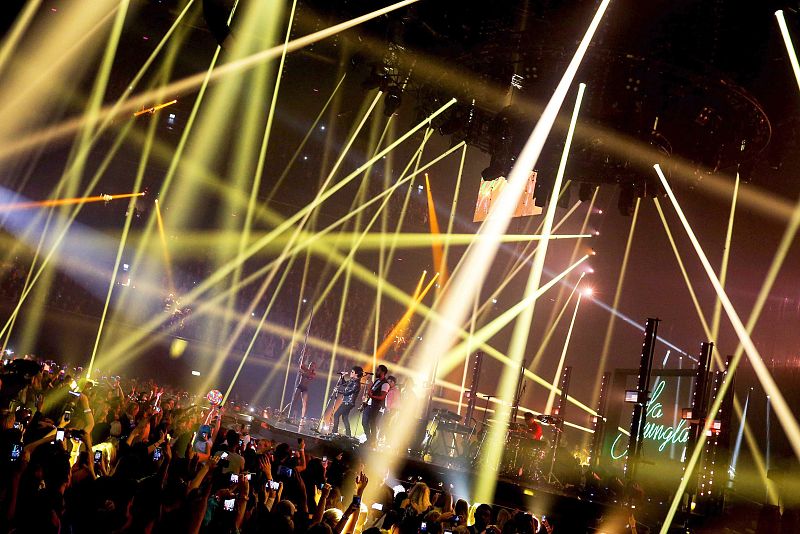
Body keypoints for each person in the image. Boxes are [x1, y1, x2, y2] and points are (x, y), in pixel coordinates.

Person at [361, 365, 389, 447]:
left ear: (383, 372)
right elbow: (371, 392)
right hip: (369, 404)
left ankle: (372, 441)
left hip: (375, 406)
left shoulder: (385, 384)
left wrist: (372, 396)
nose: (376, 372)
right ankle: (370, 439)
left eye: (378, 370)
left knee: (371, 423)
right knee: (364, 422)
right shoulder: (376, 381)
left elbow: (382, 397)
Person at [332, 366, 364, 437]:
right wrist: (342, 376)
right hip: (346, 402)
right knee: (344, 417)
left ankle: (334, 432)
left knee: (336, 415)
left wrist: (338, 391)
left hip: (348, 403)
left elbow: (347, 392)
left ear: (356, 374)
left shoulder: (357, 384)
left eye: (352, 372)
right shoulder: (352, 381)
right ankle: (348, 434)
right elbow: (344, 384)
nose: (351, 373)